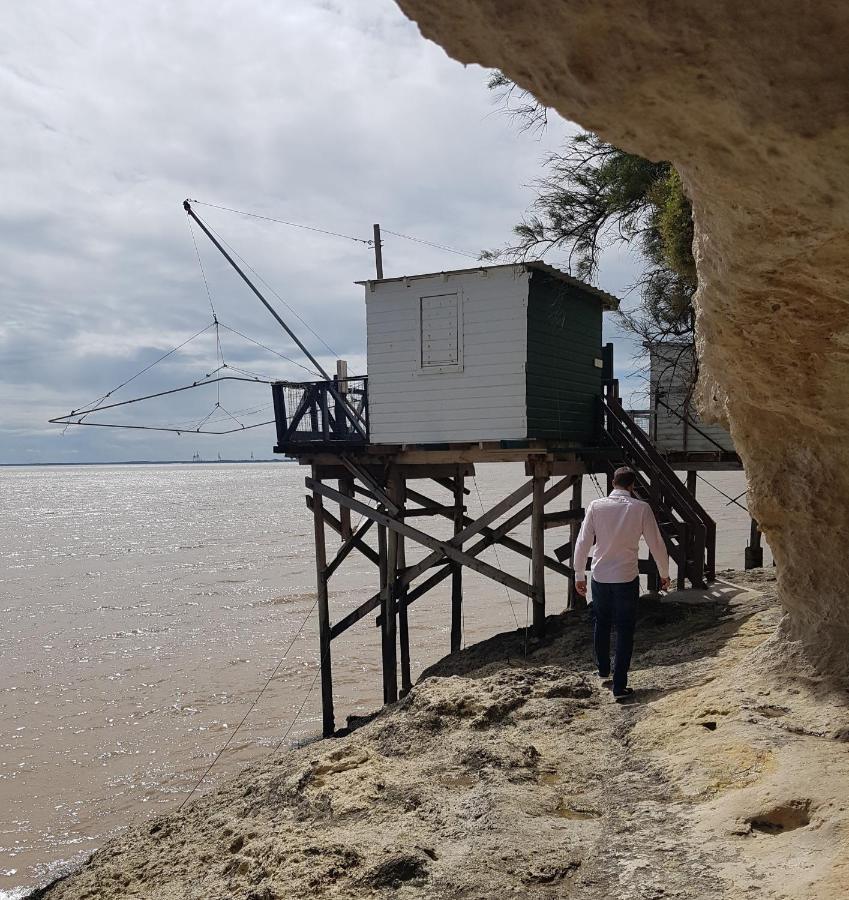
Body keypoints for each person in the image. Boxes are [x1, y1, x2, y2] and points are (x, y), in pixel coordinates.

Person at [572, 466, 670, 701]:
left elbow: (583, 542)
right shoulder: (641, 508)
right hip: (626, 577)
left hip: (600, 576)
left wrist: (578, 574)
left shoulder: (596, 506)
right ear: (632, 486)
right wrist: (664, 573)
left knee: (601, 622)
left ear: (613, 483)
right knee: (625, 629)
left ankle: (603, 669)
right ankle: (619, 685)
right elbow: (656, 543)